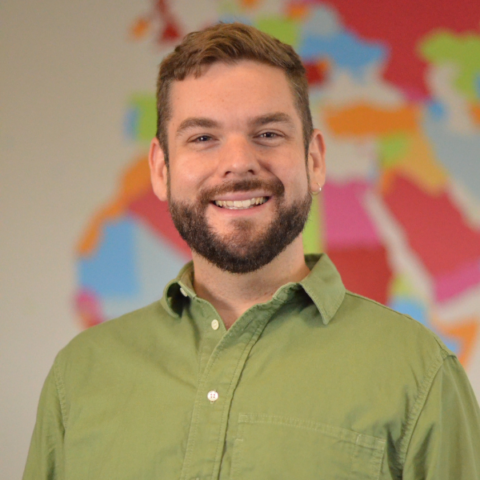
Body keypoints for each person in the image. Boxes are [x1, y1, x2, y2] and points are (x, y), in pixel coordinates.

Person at [24, 23, 480, 480]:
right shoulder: (79, 376)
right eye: (203, 138)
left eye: (268, 134)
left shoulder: (419, 373)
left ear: (314, 160)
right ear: (161, 170)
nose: (239, 162)